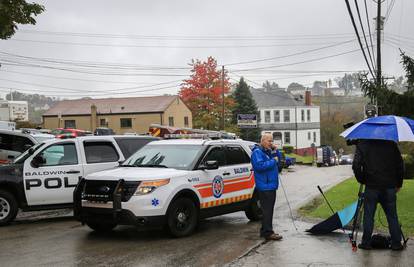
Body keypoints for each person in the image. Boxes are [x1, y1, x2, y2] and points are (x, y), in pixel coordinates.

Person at [352, 139, 404, 251]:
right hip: (389, 186)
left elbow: (356, 166)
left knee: (368, 216)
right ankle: (396, 243)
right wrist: (399, 183)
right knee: (392, 216)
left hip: (371, 187)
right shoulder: (391, 144)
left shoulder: (363, 144)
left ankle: (366, 243)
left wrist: (363, 179)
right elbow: (400, 165)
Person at [251, 133, 283, 241]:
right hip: (265, 186)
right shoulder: (257, 152)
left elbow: (279, 162)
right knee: (267, 210)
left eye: (272, 141)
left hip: (271, 185)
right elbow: (259, 166)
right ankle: (268, 233)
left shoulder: (269, 152)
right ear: (263, 141)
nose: (271, 143)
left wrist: (276, 151)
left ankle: (265, 231)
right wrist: (273, 161)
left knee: (268, 209)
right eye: (269, 141)